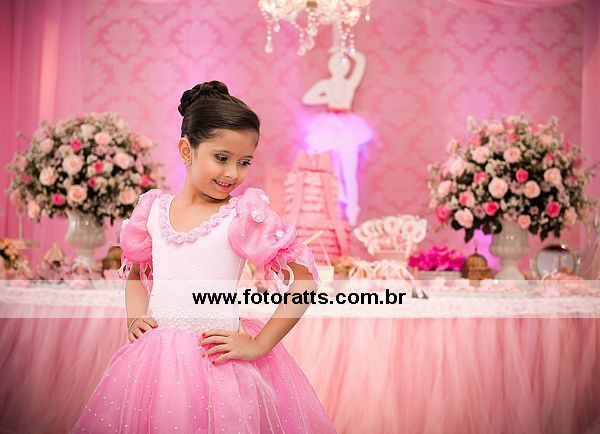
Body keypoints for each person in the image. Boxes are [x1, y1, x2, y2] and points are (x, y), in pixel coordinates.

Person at [71, 80, 337, 433]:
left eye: (244, 162)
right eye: (221, 158)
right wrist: (136, 317)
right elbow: (136, 272)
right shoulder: (152, 211)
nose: (232, 173)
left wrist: (260, 343)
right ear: (187, 150)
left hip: (218, 363)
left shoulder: (242, 215)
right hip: (156, 364)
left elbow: (304, 282)